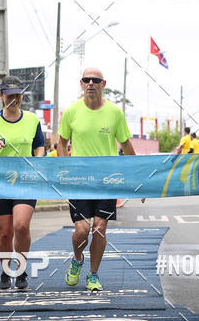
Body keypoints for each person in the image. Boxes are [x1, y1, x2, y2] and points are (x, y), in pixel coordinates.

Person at [57, 66, 141, 293]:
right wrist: (63, 169)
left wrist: (139, 180)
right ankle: (77, 259)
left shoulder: (114, 113)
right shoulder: (71, 112)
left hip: (107, 180)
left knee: (100, 228)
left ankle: (93, 275)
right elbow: (62, 143)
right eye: (87, 79)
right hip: (78, 180)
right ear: (81, 83)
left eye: (95, 80)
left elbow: (126, 146)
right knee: (83, 230)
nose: (91, 83)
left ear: (103, 84)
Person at [0, 76, 45, 291]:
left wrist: (38, 161)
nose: (13, 99)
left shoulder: (33, 119)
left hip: (25, 181)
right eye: (9, 95)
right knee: (5, 233)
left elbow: (39, 145)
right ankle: (6, 271)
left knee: (21, 225)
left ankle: (21, 269)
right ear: (0, 96)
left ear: (22, 96)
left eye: (17, 95)